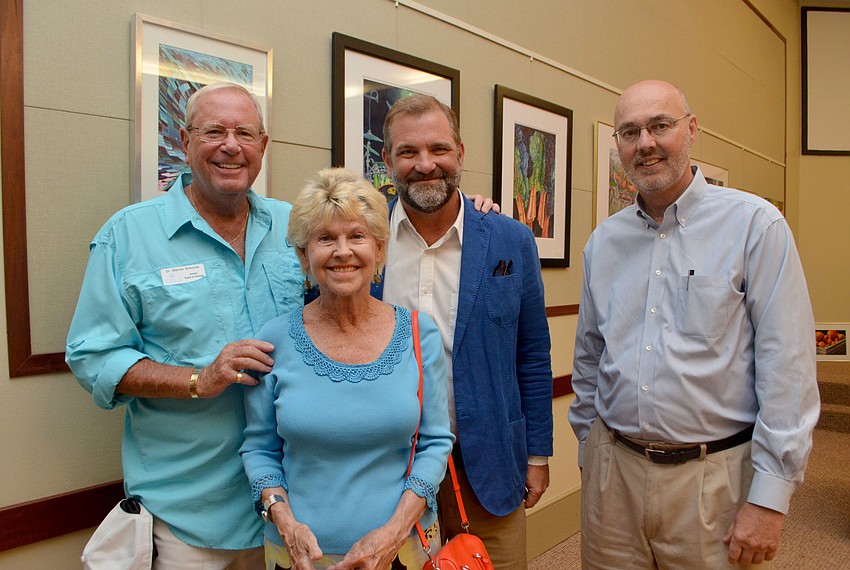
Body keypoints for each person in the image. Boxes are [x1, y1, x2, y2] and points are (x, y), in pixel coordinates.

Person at [569, 79, 820, 569]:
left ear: (691, 129)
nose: (645, 143)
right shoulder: (605, 242)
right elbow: (590, 356)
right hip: (613, 479)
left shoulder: (755, 226)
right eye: (629, 132)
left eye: (660, 125)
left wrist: (770, 498)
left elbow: (787, 369)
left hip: (714, 482)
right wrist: (589, 448)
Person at [66, 82, 304, 568]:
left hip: (291, 505)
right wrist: (199, 379)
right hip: (189, 514)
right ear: (185, 140)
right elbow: (94, 357)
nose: (231, 146)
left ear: (263, 145)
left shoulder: (295, 227)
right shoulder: (128, 235)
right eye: (214, 131)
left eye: (245, 133)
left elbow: (350, 290)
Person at [239, 167, 454, 570]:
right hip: (299, 556)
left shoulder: (418, 333)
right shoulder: (273, 341)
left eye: (357, 236)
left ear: (379, 250)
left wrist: (393, 533)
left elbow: (435, 442)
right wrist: (285, 523)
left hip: (402, 549)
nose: (343, 251)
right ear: (304, 255)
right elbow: (260, 449)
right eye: (325, 238)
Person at [373, 93, 554, 570]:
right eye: (408, 152)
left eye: (439, 149)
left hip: (486, 467)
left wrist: (537, 455)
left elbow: (532, 355)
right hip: (387, 468)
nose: (425, 164)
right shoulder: (363, 237)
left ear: (460, 152)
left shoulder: (509, 239)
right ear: (387, 160)